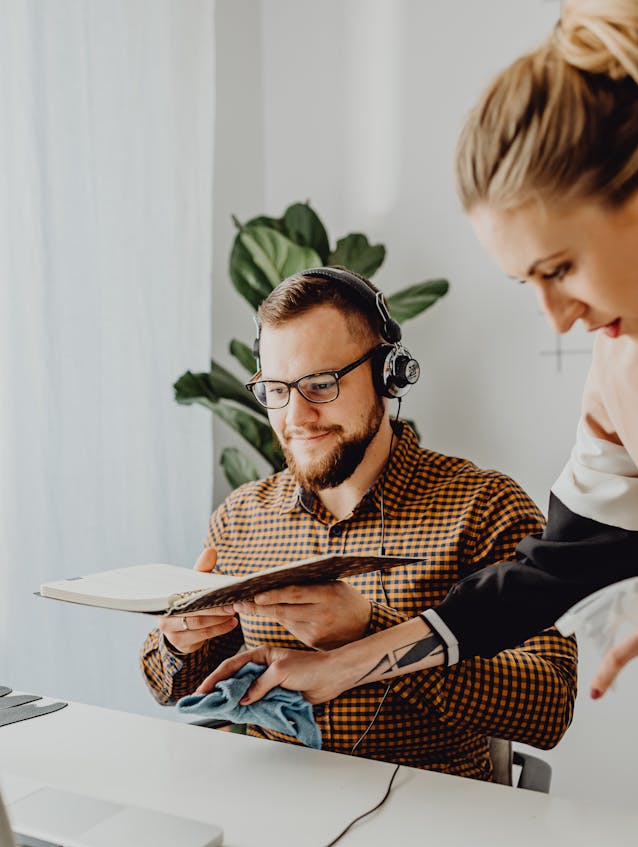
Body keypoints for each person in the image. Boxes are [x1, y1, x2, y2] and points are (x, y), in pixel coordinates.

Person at [198, 0, 638, 710]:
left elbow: (548, 696)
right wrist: (348, 664)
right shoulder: (619, 376)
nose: (556, 319)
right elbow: (545, 578)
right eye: (527, 282)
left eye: (559, 268)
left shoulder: (475, 502)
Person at [142, 268, 577, 779]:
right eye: (275, 390)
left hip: (433, 824)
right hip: (272, 807)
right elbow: (168, 686)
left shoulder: (483, 506)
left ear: (389, 375)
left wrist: (371, 629)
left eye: (320, 385)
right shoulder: (242, 518)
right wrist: (179, 642)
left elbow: (550, 703)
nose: (295, 416)